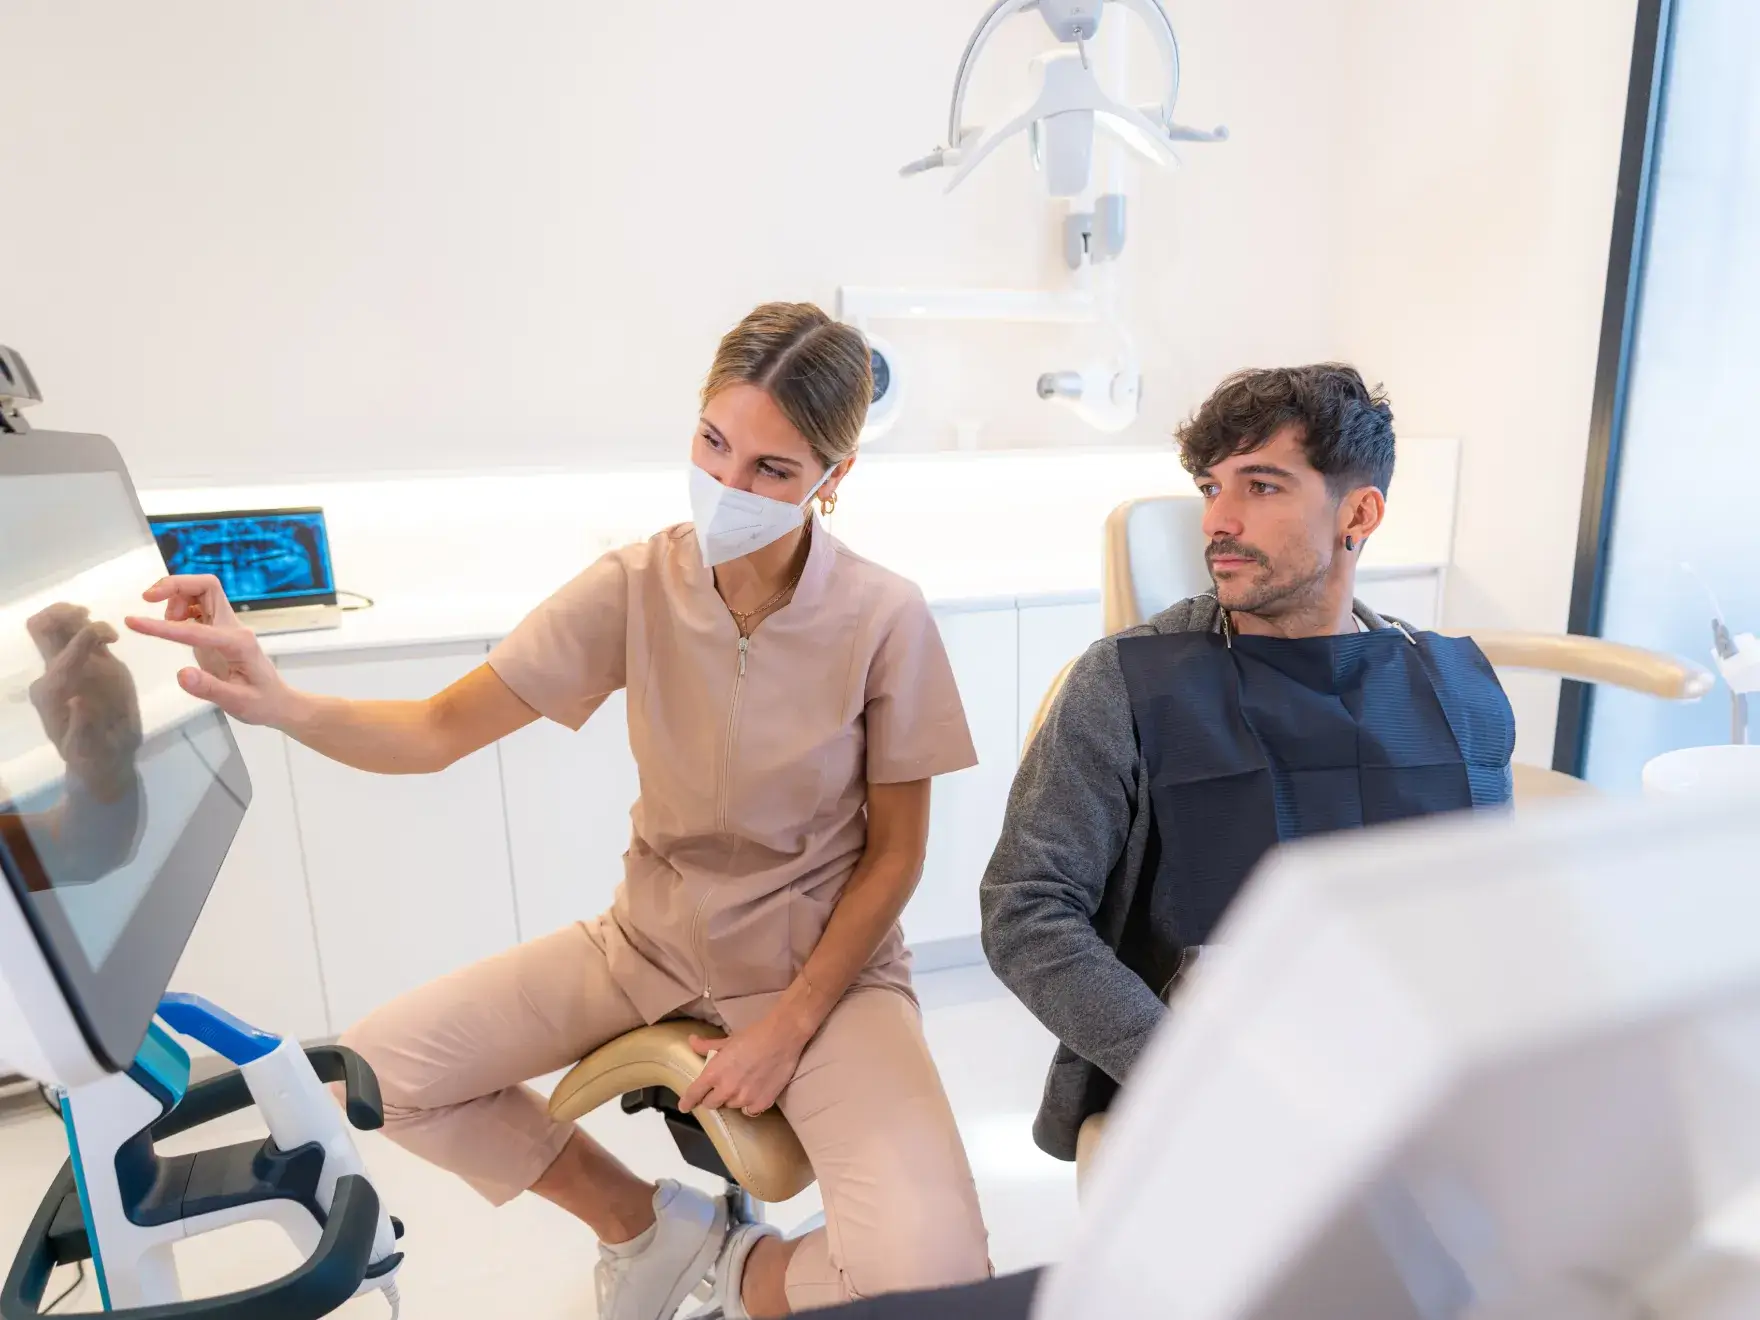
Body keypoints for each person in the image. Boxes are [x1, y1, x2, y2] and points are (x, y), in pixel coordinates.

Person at [127, 303, 991, 1319]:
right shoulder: (637, 585)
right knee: (377, 1074)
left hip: (820, 975)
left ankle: (731, 1273)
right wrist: (279, 702)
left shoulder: (884, 618)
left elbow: (895, 856)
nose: (728, 485)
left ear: (833, 478)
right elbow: (436, 730)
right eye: (713, 442)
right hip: (648, 945)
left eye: (772, 469)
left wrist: (790, 1025)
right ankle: (646, 1228)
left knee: (935, 1285)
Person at [980, 364, 1516, 1163]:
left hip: (1414, 1087)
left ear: (1359, 513)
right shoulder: (1127, 682)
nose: (1217, 522)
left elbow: (1485, 916)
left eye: (1261, 486)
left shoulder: (1455, 695)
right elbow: (1025, 909)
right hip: (1210, 1094)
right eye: (1210, 487)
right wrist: (1194, 1078)